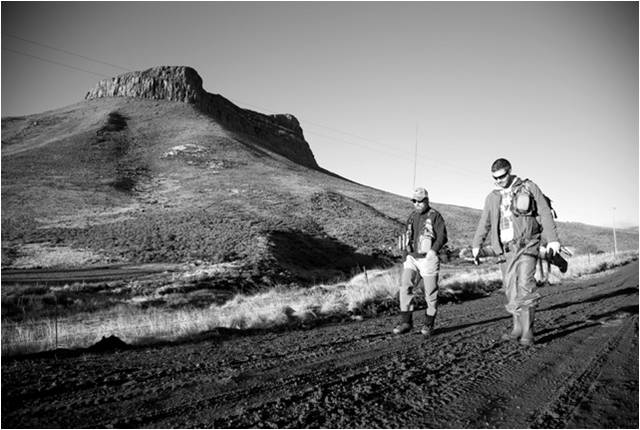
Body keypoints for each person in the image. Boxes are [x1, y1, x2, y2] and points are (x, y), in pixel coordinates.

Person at [472, 158, 560, 346]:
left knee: (525, 285)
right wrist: (476, 245)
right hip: (505, 250)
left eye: (502, 176)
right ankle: (517, 327)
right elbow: (484, 222)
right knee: (511, 288)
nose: (498, 181)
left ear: (510, 171)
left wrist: (553, 239)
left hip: (528, 244)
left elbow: (544, 212)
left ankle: (528, 331)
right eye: (494, 178)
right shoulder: (492, 197)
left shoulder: (529, 187)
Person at [393, 187, 448, 336]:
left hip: (428, 259)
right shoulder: (411, 216)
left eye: (420, 201)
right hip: (411, 257)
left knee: (430, 293)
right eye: (414, 201)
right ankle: (406, 322)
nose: (416, 204)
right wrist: (405, 257)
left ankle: (428, 324)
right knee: (405, 286)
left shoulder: (436, 216)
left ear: (426, 201)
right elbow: (407, 237)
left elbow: (442, 236)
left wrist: (433, 251)